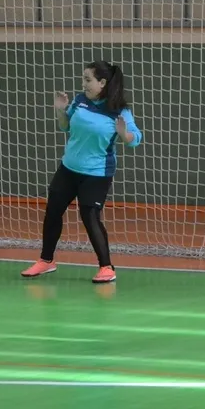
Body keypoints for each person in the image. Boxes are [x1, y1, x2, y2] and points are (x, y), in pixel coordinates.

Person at [21, 61, 143, 283]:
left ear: (102, 83)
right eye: (83, 79)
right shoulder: (80, 100)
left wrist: (124, 134)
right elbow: (65, 126)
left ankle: (106, 267)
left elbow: (135, 140)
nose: (83, 84)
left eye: (88, 80)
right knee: (53, 211)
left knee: (90, 216)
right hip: (68, 168)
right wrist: (60, 110)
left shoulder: (120, 110)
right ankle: (46, 261)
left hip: (97, 173)